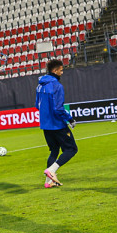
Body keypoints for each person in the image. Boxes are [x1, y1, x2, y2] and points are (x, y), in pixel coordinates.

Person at [36, 59, 78, 188]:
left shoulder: (39, 85)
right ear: (55, 70)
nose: (62, 72)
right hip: (57, 124)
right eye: (61, 70)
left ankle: (49, 182)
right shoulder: (57, 86)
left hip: (45, 125)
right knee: (71, 149)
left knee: (54, 150)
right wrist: (70, 119)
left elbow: (37, 105)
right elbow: (58, 108)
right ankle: (51, 170)